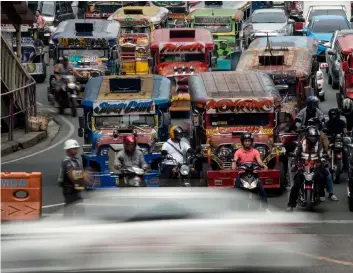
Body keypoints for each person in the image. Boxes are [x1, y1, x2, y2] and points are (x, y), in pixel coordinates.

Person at [286, 127, 327, 211]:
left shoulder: (319, 144)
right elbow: (296, 154)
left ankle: (321, 194)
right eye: (311, 136)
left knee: (322, 177)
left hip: (315, 165)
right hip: (302, 166)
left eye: (315, 136)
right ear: (307, 136)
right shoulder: (301, 143)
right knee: (296, 184)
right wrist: (295, 163)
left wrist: (322, 161)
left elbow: (322, 154)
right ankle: (291, 205)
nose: (313, 138)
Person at [231, 132, 269, 207]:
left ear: (251, 142)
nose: (247, 143)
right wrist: (234, 163)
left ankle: (265, 207)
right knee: (236, 189)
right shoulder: (238, 152)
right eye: (246, 141)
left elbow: (259, 161)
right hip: (242, 174)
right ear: (242, 142)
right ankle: (234, 206)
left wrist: (264, 165)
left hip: (254, 174)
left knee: (261, 189)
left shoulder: (255, 151)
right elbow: (234, 160)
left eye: (249, 141)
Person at [58, 139, 90, 215]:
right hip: (69, 188)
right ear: (69, 150)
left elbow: (79, 173)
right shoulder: (67, 162)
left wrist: (83, 184)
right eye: (75, 148)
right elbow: (72, 175)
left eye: (77, 148)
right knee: (69, 209)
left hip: (76, 188)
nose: (77, 150)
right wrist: (84, 176)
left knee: (80, 209)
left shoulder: (76, 160)